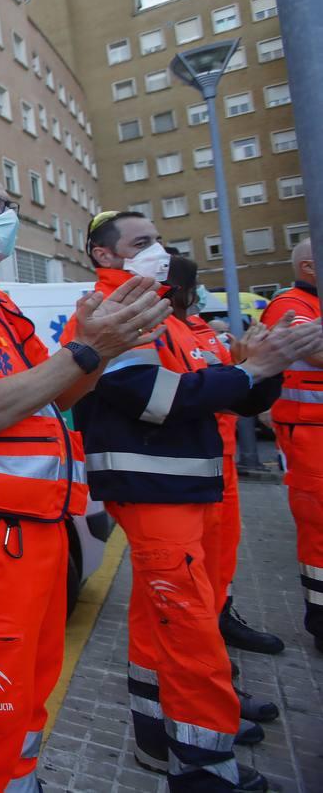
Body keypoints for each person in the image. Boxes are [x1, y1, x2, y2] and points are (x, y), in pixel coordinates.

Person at [0, 163, 171, 793]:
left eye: (5, 202)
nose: (5, 214)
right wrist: (86, 350)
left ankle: (19, 780)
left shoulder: (0, 305)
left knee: (28, 695)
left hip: (40, 532)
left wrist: (100, 346)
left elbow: (55, 400)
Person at [67, 212, 321, 792]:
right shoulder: (115, 314)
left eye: (158, 240)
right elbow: (153, 397)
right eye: (143, 242)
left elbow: (216, 392)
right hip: (156, 489)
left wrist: (259, 367)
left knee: (163, 622)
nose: (160, 251)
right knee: (189, 634)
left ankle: (163, 740)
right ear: (104, 256)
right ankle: (205, 769)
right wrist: (252, 367)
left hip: (179, 486)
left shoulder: (158, 312)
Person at [168, 260, 283, 727]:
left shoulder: (198, 330)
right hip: (187, 475)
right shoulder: (163, 334)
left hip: (220, 465)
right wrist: (246, 368)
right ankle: (211, 688)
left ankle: (220, 642)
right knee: (192, 592)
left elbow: (231, 389)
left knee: (220, 570)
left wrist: (253, 367)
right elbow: (187, 394)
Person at [260, 238, 323, 654]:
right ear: (309, 267)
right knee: (319, 533)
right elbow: (315, 349)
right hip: (310, 437)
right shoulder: (290, 305)